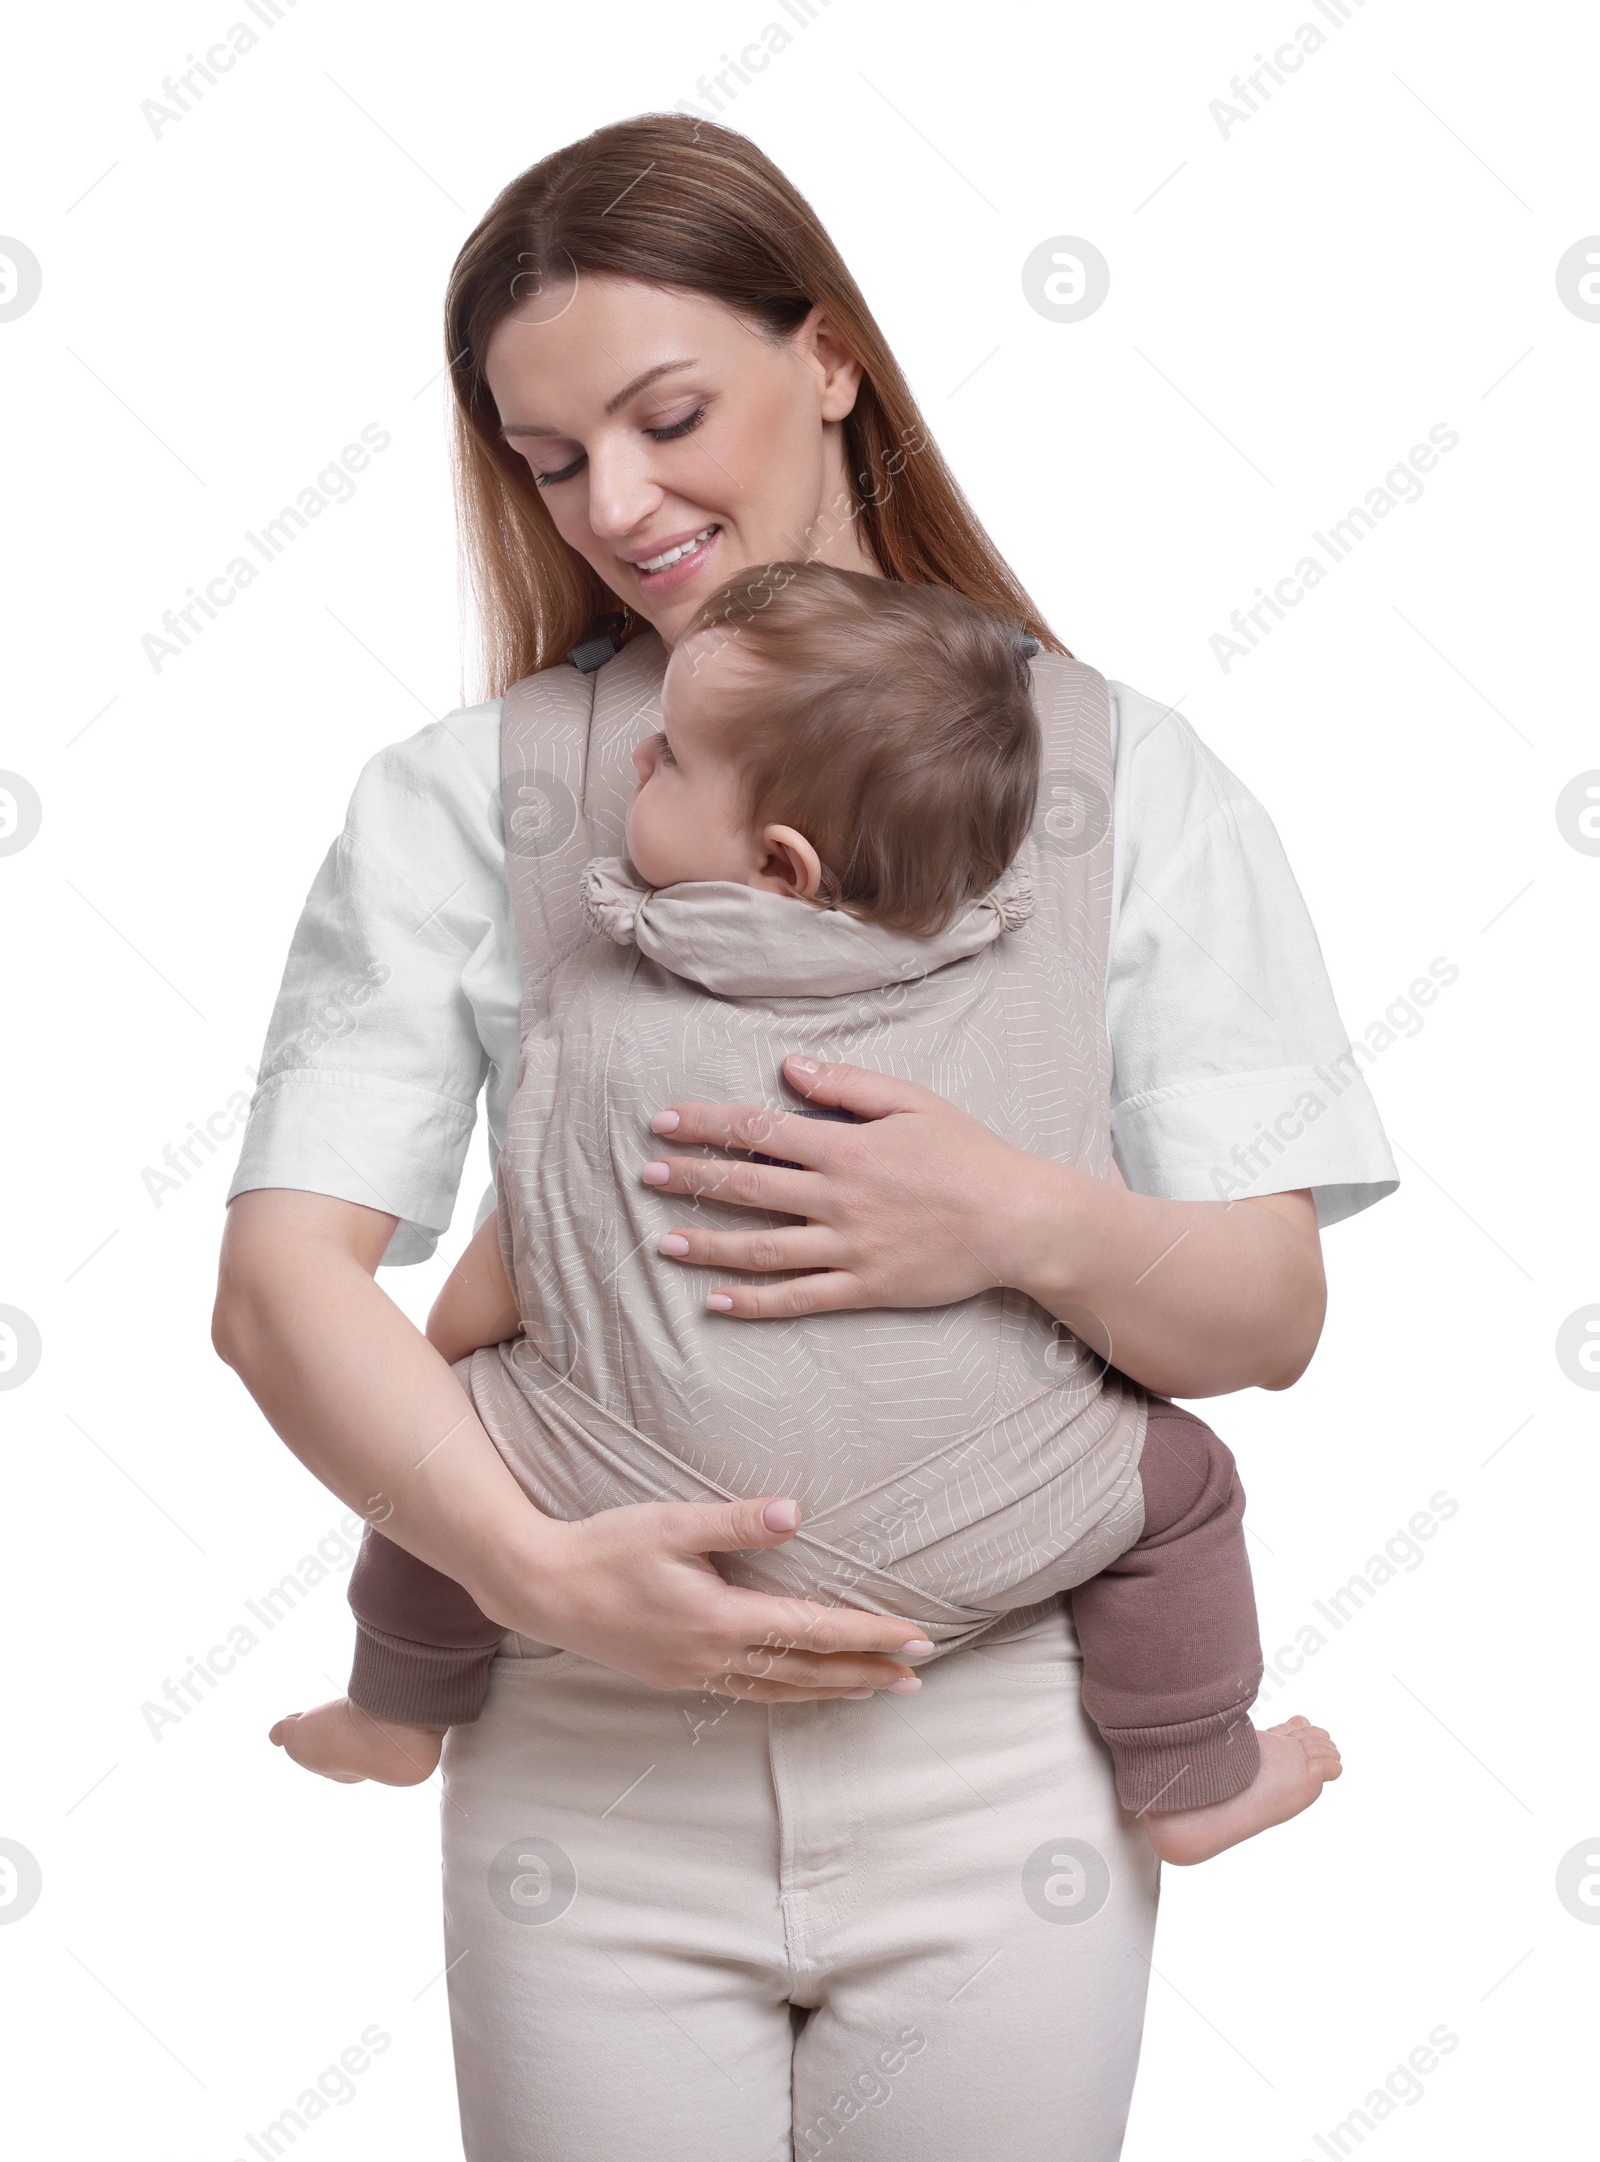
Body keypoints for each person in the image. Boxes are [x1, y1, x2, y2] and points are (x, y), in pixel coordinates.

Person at [214, 114, 1396, 2162]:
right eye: (547, 456)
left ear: (829, 357)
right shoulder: (460, 801)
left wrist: (1009, 1217)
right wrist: (530, 1574)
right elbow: (277, 1289)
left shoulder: (1128, 781)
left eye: (668, 415)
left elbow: (1262, 1316)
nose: (618, 501)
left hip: (1008, 1747)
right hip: (585, 1752)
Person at [269, 558, 1342, 1870]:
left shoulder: (600, 1013)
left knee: (439, 1447)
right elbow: (1202, 1298)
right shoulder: (1008, 1007)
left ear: (777, 859)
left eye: (665, 764)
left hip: (641, 1510)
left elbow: (518, 1259)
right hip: (978, 1532)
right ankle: (1189, 1771)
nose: (635, 760)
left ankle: (397, 1706)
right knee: (1182, 1487)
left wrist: (457, 1361)